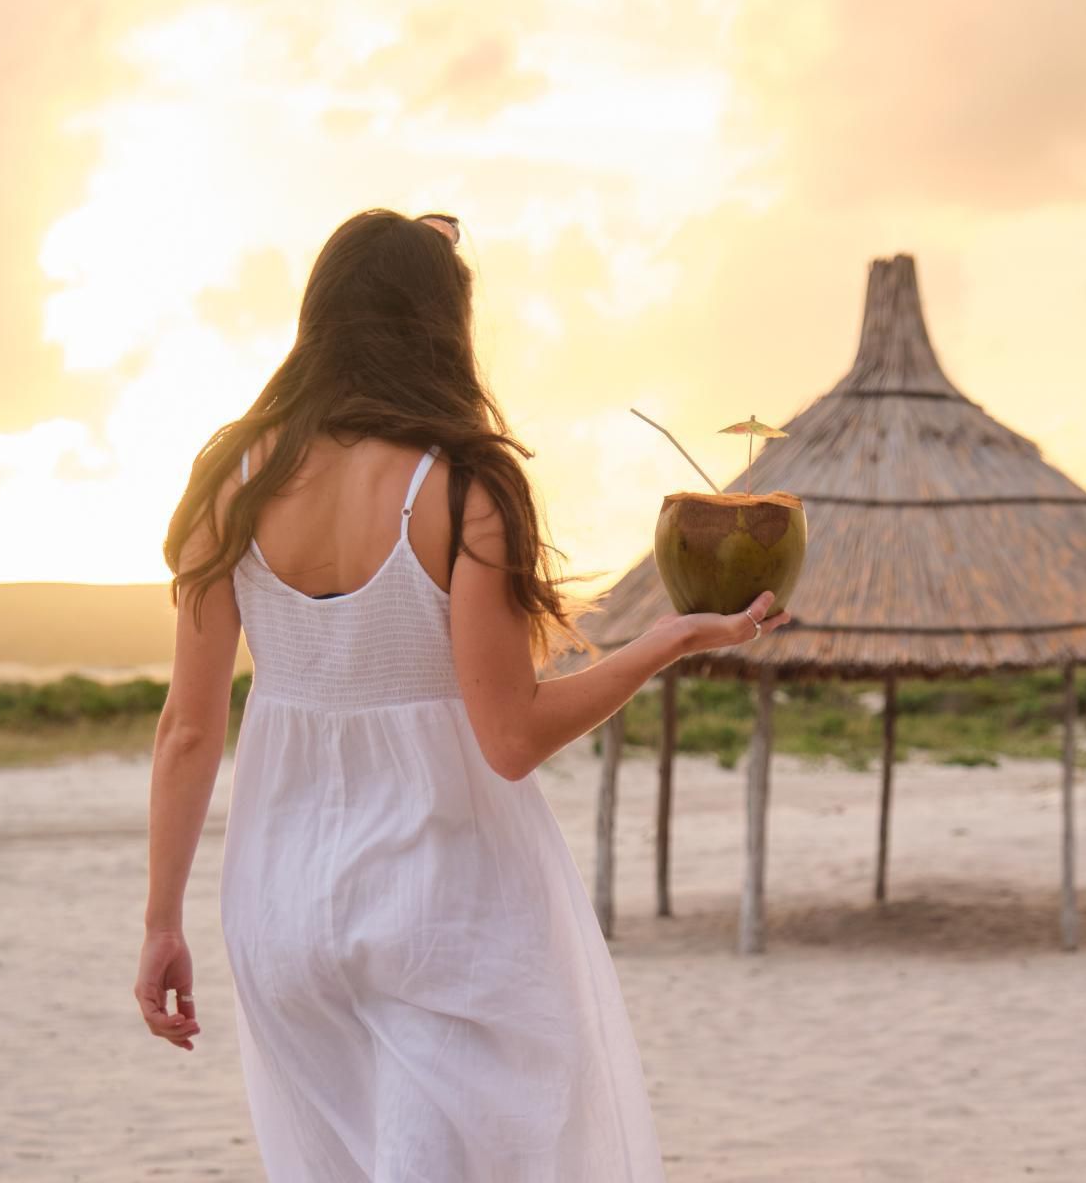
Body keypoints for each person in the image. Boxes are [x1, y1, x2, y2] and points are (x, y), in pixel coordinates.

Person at [135, 207, 792, 1181]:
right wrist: (661, 644)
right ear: (443, 326)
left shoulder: (227, 474)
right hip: (437, 898)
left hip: (276, 904)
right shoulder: (464, 484)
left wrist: (159, 924)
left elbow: (188, 732)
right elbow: (511, 737)